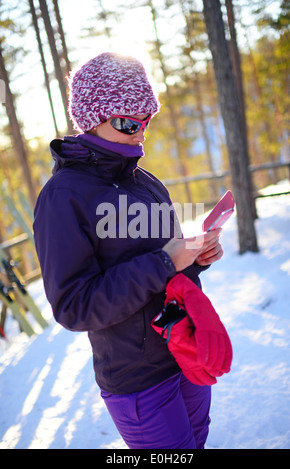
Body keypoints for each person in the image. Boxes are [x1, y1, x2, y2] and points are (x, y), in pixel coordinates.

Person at [33, 52, 223, 449]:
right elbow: (74, 305)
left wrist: (193, 260)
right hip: (137, 378)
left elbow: (165, 261)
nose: (140, 132)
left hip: (184, 349)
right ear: (91, 121)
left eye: (146, 119)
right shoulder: (64, 198)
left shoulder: (146, 182)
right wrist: (166, 261)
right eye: (126, 122)